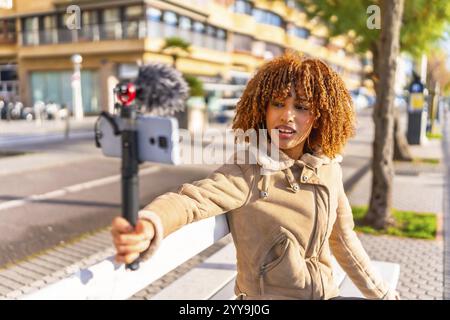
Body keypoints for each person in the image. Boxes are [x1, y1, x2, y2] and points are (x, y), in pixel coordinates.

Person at [111, 51, 400, 300]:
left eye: (301, 107)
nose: (287, 116)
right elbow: (192, 199)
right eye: (278, 103)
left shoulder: (328, 169)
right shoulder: (249, 168)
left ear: (319, 116)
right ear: (263, 108)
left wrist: (384, 294)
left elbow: (344, 240)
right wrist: (150, 224)